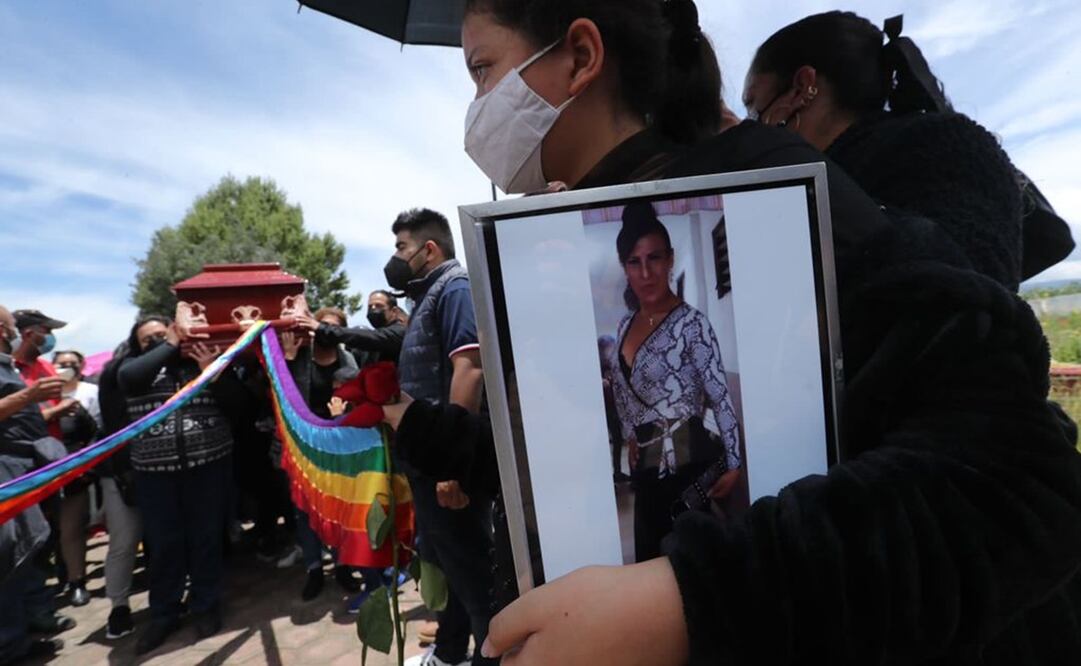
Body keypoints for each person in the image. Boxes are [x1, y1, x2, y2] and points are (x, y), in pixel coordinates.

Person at [382, 2, 1081, 664]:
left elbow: (1010, 477)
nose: (476, 110)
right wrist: (454, 441)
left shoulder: (765, 188)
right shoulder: (558, 271)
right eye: (635, 260)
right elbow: (595, 444)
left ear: (581, 56)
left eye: (481, 69)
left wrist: (686, 604)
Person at [741, 11, 1075, 290]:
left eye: (754, 106)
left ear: (803, 88)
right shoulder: (837, 172)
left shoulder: (946, 145)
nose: (752, 124)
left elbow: (965, 288)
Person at [609, 201, 743, 562]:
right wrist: (629, 435)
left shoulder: (692, 324)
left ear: (670, 259)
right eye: (635, 262)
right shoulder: (624, 326)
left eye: (654, 258)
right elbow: (622, 392)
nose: (646, 272)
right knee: (650, 554)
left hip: (688, 458)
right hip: (646, 469)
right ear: (625, 268)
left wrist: (734, 462)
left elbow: (719, 394)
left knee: (691, 563)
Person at [387, 208, 492, 666]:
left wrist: (453, 468)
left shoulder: (454, 289)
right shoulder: (426, 297)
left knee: (474, 577)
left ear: (430, 250)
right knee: (450, 566)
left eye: (401, 247)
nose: (395, 258)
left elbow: (468, 370)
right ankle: (450, 655)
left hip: (446, 466)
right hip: (429, 461)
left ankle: (498, 656)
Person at [118, 315, 245, 655]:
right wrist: (170, 343)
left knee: (206, 539)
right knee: (163, 546)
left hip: (207, 466)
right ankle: (164, 614)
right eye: (150, 339)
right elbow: (128, 378)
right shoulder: (136, 369)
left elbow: (240, 406)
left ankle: (206, 606)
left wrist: (214, 373)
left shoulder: (202, 364)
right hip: (155, 473)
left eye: (164, 334)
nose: (159, 341)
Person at [0, 305, 72, 662]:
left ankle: (26, 630)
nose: (14, 334)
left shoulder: (6, 366)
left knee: (31, 549)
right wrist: (27, 397)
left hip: (27, 468)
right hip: (7, 472)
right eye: (12, 327)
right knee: (11, 555)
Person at [278, 307, 363, 601]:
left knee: (337, 508)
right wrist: (287, 361)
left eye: (332, 327)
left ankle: (342, 565)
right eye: (321, 324)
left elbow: (357, 397)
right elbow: (282, 395)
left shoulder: (346, 359)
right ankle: (314, 569)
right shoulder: (299, 355)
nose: (325, 330)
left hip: (336, 444)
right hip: (302, 445)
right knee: (305, 511)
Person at [94, 338, 144, 640]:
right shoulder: (116, 376)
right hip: (121, 473)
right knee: (124, 541)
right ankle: (119, 606)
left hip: (159, 471)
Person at [51, 350, 103, 608]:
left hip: (75, 474)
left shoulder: (85, 398)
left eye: (73, 364)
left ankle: (76, 581)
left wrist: (86, 467)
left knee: (71, 529)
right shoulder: (37, 399)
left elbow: (96, 432)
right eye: (61, 364)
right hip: (37, 474)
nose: (67, 368)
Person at [294, 292, 409, 367]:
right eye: (370, 307)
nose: (373, 310)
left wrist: (320, 327)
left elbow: (372, 337)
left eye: (378, 306)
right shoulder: (370, 347)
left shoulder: (399, 332)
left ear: (394, 311)